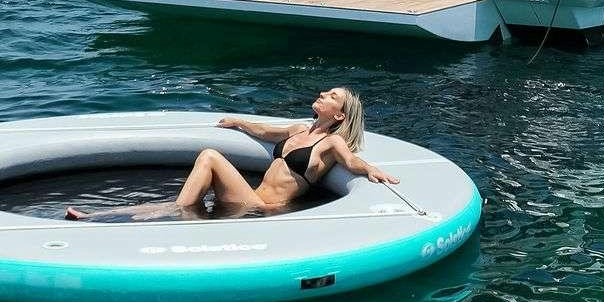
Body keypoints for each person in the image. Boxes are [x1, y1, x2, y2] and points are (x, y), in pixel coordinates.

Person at [65, 87, 397, 220]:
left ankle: (173, 211)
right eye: (325, 92)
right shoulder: (299, 129)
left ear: (339, 115)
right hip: (248, 197)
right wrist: (238, 121)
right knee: (204, 166)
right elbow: (265, 132)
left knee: (209, 156)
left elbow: (352, 160)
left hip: (264, 208)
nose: (322, 95)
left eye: (331, 96)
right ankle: (98, 216)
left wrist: (371, 170)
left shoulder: (329, 143)